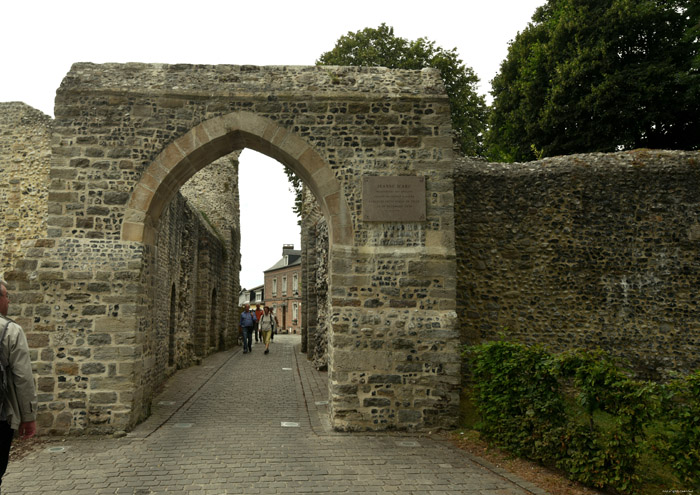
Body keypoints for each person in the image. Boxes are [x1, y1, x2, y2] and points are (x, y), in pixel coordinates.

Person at [0, 282, 37, 489]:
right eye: (7, 296)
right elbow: (23, 377)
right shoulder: (10, 330)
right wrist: (28, 417)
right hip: (2, 415)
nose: (9, 301)